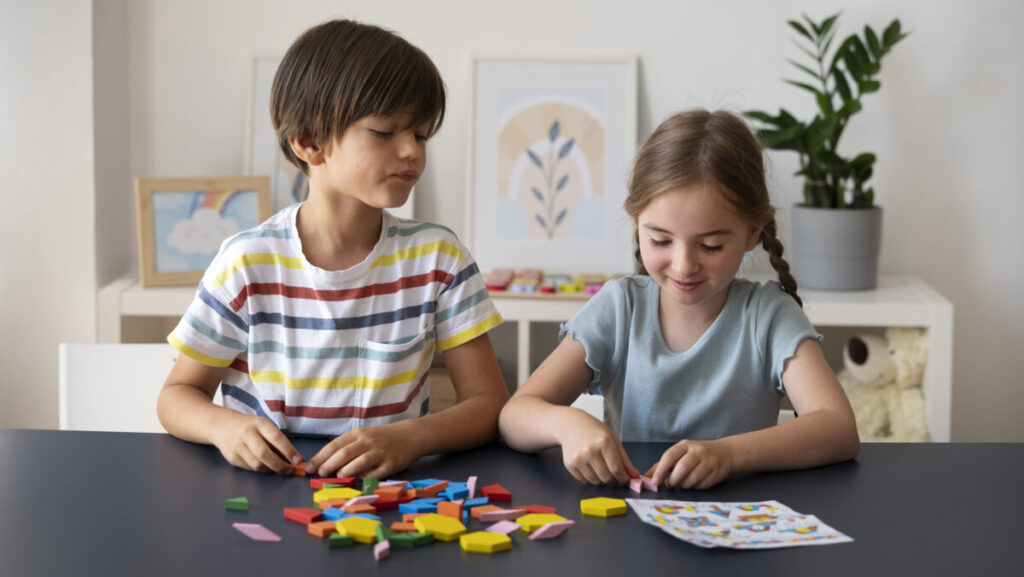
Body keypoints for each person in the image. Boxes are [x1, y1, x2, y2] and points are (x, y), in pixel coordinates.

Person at [157, 19, 508, 479]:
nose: (412, 152)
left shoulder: (440, 260)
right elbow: (177, 395)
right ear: (308, 143)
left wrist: (411, 437)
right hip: (266, 495)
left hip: (389, 503)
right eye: (386, 132)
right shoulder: (246, 263)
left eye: (421, 135)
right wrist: (226, 428)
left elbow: (489, 404)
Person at [498, 109, 859, 489]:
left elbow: (837, 427)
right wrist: (566, 424)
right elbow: (513, 417)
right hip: (628, 528)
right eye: (660, 240)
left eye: (711, 245)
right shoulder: (619, 309)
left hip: (739, 524)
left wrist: (728, 455)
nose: (684, 265)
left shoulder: (768, 317)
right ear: (637, 222)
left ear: (753, 233)